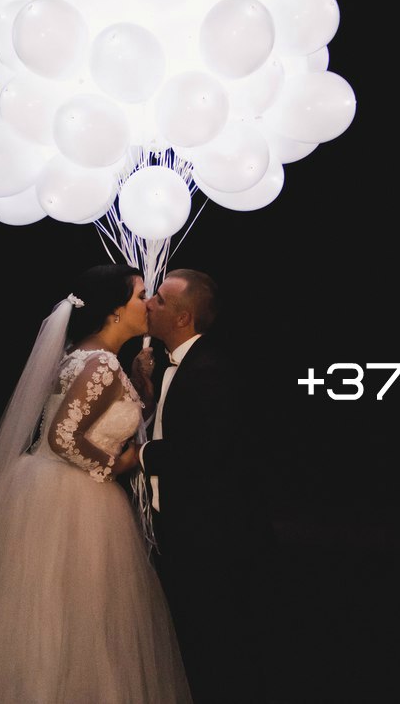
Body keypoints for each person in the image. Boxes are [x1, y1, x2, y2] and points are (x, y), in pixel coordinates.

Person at [0, 264, 192, 703]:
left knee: (49, 610)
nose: (147, 304)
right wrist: (117, 464)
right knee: (72, 611)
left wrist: (139, 386)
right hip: (74, 496)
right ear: (115, 310)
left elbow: (98, 417)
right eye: (141, 296)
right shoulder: (100, 362)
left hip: (49, 489)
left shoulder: (86, 354)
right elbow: (63, 437)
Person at [133, 268, 272, 703]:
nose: (149, 304)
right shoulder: (182, 364)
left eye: (159, 299)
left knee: (214, 643)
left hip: (209, 536)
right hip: (183, 528)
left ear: (182, 318)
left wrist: (137, 456)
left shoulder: (210, 370)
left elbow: (201, 451)